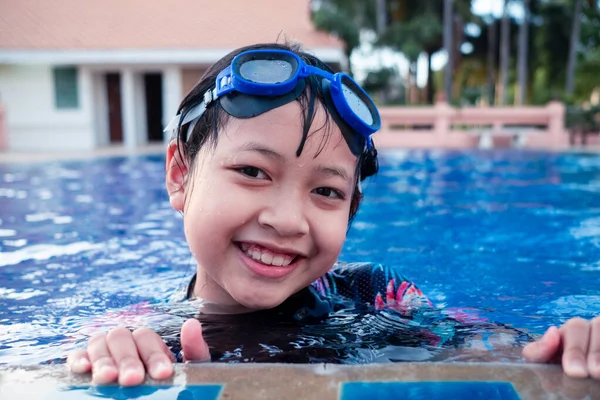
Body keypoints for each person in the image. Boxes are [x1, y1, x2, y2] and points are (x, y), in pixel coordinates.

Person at [66, 42, 600, 386]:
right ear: (180, 176)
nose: (289, 220)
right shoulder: (143, 332)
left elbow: (500, 352)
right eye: (253, 172)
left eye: (326, 192)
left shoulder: (377, 295)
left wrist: (563, 348)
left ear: (351, 211)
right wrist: (116, 360)